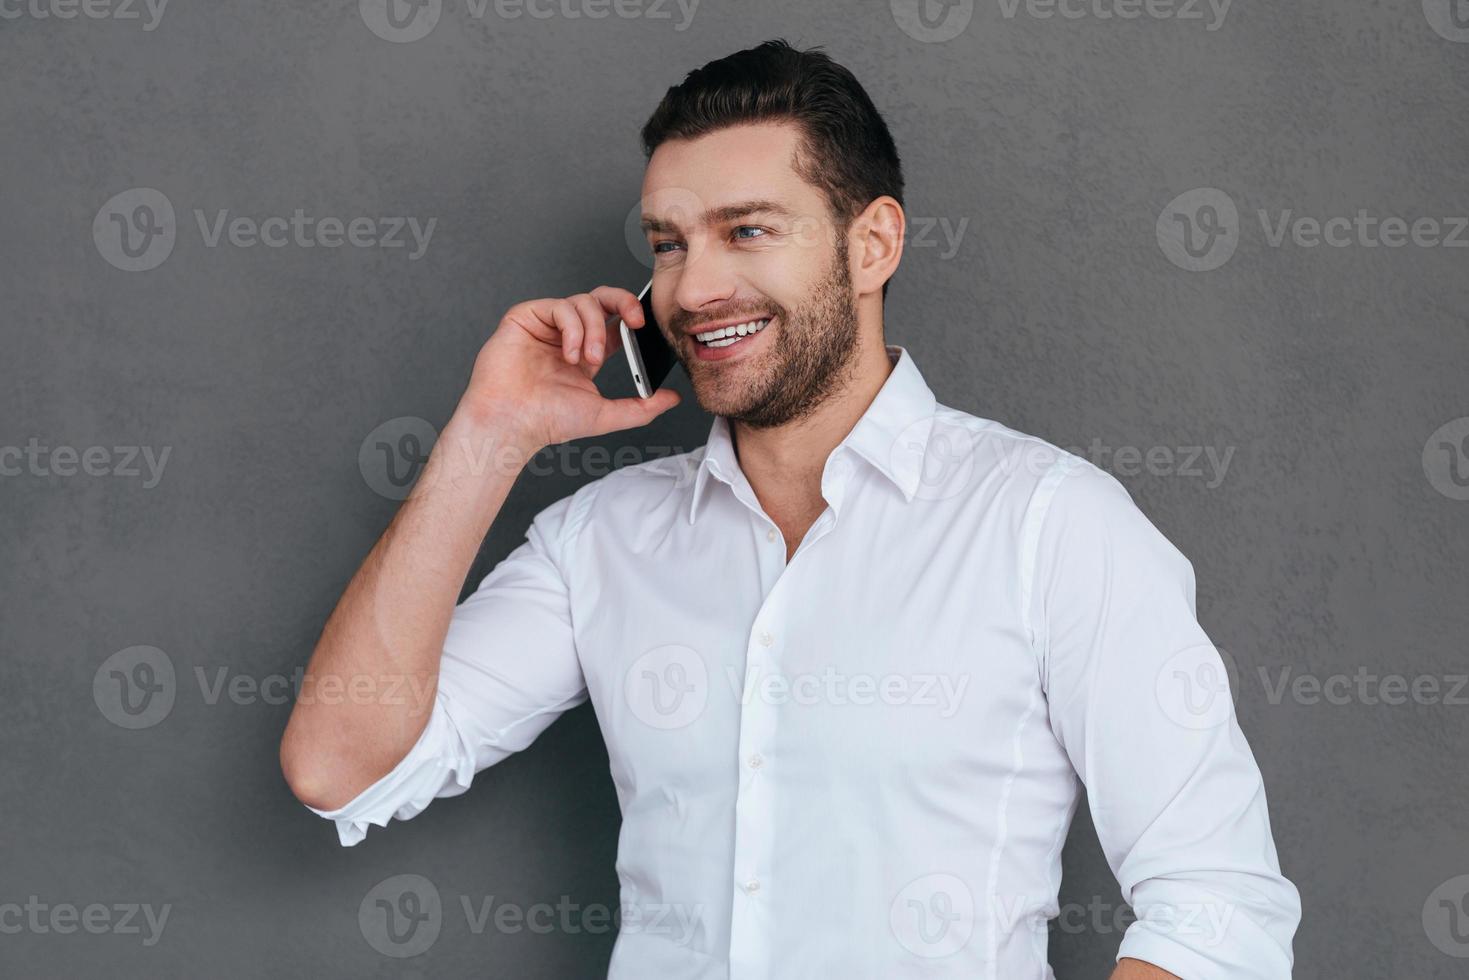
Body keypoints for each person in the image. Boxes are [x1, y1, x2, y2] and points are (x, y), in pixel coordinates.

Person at [280, 38, 1300, 980]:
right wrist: (491, 430)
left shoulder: (1048, 523)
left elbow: (1216, 905)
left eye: (747, 230)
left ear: (871, 246)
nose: (695, 287)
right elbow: (337, 764)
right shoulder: (603, 540)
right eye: (669, 243)